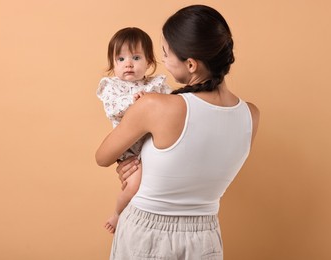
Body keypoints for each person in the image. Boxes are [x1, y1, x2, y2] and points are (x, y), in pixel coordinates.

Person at [96, 4, 260, 260]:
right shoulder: (251, 115)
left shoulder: (154, 105)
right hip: (205, 237)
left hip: (146, 233)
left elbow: (103, 157)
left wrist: (130, 165)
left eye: (166, 53)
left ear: (191, 64)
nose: (164, 62)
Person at [96, 27, 171, 234]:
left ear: (149, 62)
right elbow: (113, 108)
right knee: (134, 185)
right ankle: (117, 214)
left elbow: (174, 103)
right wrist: (134, 101)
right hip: (130, 150)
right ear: (113, 63)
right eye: (120, 59)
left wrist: (155, 100)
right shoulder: (112, 87)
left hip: (153, 145)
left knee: (153, 185)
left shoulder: (155, 84)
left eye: (136, 57)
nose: (128, 64)